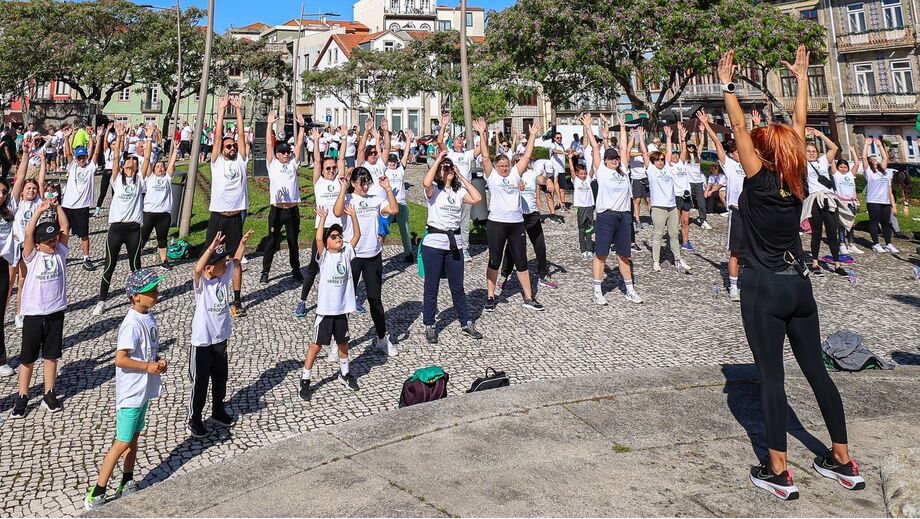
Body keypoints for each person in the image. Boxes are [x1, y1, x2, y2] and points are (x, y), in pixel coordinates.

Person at [719, 45, 865, 499]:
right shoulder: (795, 176)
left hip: (763, 287)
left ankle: (778, 470)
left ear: (762, 153)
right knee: (819, 375)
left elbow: (740, 126)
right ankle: (842, 460)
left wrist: (728, 86)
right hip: (799, 288)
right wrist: (801, 80)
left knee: (772, 378)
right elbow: (798, 128)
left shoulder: (759, 179)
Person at [83, 268, 168, 511]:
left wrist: (159, 361)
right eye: (150, 291)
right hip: (131, 393)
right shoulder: (131, 324)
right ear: (136, 296)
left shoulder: (148, 317)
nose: (156, 293)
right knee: (121, 442)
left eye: (156, 288)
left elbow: (150, 351)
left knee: (134, 438)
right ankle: (97, 491)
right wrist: (147, 366)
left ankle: (127, 480)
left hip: (143, 390)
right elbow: (120, 359)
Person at [8, 197, 70, 418]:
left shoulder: (60, 253)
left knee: (51, 355)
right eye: (48, 241)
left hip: (55, 312)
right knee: (28, 358)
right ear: (37, 244)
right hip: (34, 315)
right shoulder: (32, 256)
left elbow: (65, 227)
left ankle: (49, 393)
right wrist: (40, 211)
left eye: (54, 240)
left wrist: (57, 207)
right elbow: (27, 234)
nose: (53, 243)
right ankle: (23, 395)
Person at [188, 229, 253, 437]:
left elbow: (236, 260)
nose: (225, 265)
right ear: (210, 267)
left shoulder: (223, 277)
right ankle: (195, 418)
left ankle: (217, 410)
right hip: (202, 341)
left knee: (220, 378)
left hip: (220, 338)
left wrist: (242, 243)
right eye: (220, 263)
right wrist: (211, 248)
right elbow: (197, 268)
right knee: (200, 382)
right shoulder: (202, 284)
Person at [476, 118, 545, 312]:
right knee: (494, 260)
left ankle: (529, 297)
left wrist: (532, 136)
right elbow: (485, 157)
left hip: (516, 224)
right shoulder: (492, 176)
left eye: (507, 165)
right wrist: (482, 134)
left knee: (521, 261)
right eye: (502, 166)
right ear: (496, 167)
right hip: (496, 223)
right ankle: (490, 295)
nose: (505, 168)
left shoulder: (515, 174)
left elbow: (526, 155)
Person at [420, 151, 484, 344]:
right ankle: (430, 323)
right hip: (434, 242)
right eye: (445, 169)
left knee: (458, 286)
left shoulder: (458, 192)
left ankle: (466, 321)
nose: (448, 171)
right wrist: (439, 161)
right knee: (432, 286)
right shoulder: (433, 190)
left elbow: (477, 198)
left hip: (454, 242)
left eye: (450, 169)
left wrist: (462, 176)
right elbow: (425, 182)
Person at [334, 167, 399, 356]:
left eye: (367, 182)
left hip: (373, 255)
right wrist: (342, 189)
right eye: (361, 182)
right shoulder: (348, 199)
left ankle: (381, 338)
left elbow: (394, 209)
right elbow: (337, 212)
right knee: (344, 300)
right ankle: (338, 341)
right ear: (353, 183)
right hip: (352, 255)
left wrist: (387, 188)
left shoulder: (375, 200)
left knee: (374, 299)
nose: (365, 186)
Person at [299, 206, 361, 400]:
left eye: (339, 235)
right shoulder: (324, 256)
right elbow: (319, 239)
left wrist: (353, 216)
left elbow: (357, 236)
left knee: (343, 343)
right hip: (326, 311)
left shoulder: (346, 252)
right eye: (333, 236)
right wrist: (323, 221)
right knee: (316, 345)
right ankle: (305, 380)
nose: (338, 238)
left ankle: (344, 373)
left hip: (342, 310)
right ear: (327, 242)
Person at [581, 113, 643, 305]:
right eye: (611, 158)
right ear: (606, 161)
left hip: (624, 216)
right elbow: (594, 149)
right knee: (601, 254)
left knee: (624, 255)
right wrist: (589, 128)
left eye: (616, 158)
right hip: (606, 216)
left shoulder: (623, 169)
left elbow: (625, 148)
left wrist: (623, 127)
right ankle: (597, 291)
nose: (615, 160)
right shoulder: (602, 171)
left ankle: (630, 290)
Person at [294, 126, 347, 318]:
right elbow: (317, 160)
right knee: (314, 267)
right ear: (323, 171)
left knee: (340, 264)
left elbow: (341, 159)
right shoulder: (319, 182)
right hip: (322, 228)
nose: (332, 171)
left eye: (333, 168)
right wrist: (316, 141)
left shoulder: (339, 180)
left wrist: (343, 139)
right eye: (328, 168)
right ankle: (303, 300)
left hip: (339, 227)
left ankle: (344, 299)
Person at [92, 123, 145, 316]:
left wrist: (146, 140)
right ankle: (102, 300)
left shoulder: (140, 181)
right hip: (116, 228)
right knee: (109, 265)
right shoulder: (116, 179)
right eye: (128, 160)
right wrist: (120, 137)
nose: (131, 162)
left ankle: (137, 298)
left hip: (133, 229)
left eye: (134, 161)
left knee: (135, 266)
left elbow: (146, 161)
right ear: (123, 165)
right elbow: (115, 158)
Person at [206, 95, 249, 318]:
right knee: (212, 258)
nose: (232, 147)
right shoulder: (217, 162)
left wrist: (239, 111)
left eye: (233, 146)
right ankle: (212, 295)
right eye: (228, 145)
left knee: (236, 260)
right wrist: (222, 110)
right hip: (218, 216)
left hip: (235, 218)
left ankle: (237, 298)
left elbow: (241, 135)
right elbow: (216, 137)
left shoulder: (241, 161)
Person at [497, 137, 558, 290]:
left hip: (532, 215)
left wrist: (547, 180)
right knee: (512, 248)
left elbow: (540, 179)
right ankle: (505, 274)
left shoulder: (531, 174)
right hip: (517, 218)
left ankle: (543, 273)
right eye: (517, 161)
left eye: (522, 160)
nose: (520, 163)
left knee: (540, 245)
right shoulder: (510, 176)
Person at [699, 109, 745, 301]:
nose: (738, 153)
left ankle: (753, 281)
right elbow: (717, 143)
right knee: (735, 250)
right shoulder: (729, 164)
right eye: (735, 151)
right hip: (737, 210)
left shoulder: (752, 162)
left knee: (755, 250)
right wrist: (707, 124)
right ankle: (733, 286)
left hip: (755, 212)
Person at [260, 111, 306, 283]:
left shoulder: (293, 163)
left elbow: (299, 144)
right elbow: (267, 144)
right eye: (283, 152)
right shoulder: (272, 164)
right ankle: (265, 272)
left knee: (293, 242)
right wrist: (269, 124)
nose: (286, 155)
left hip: (292, 209)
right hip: (277, 210)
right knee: (272, 242)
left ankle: (295, 270)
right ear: (278, 154)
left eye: (288, 152)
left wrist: (302, 127)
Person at [435, 114, 482, 263]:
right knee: (451, 219)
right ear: (453, 144)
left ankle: (465, 248)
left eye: (461, 139)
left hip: (465, 191)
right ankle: (449, 244)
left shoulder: (468, 154)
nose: (459, 140)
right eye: (456, 139)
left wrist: (482, 131)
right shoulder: (451, 154)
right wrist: (443, 125)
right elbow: (439, 141)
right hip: (453, 190)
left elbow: (481, 148)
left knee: (464, 221)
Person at [643, 126, 691, 274]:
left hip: (671, 206)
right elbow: (645, 153)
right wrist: (641, 138)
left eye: (662, 159)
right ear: (653, 161)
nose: (661, 162)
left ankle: (678, 260)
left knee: (674, 235)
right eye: (658, 160)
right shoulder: (651, 170)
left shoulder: (668, 168)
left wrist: (669, 137)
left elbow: (669, 152)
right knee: (657, 234)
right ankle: (656, 261)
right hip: (658, 207)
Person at [803, 127, 844, 275]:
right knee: (817, 232)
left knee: (833, 232)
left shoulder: (822, 161)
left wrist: (820, 135)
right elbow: (794, 149)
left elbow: (834, 147)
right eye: (808, 151)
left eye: (813, 151)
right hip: (815, 198)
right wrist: (803, 136)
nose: (811, 153)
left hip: (829, 198)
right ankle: (815, 263)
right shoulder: (803, 163)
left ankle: (837, 264)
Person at [61, 125, 103, 271]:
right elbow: (67, 154)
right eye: (78, 157)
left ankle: (86, 258)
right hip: (67, 206)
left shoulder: (91, 167)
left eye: (82, 157)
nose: (80, 160)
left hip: (82, 207)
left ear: (86, 157)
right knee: (64, 232)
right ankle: (61, 256)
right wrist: (66, 138)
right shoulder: (72, 166)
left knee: (84, 235)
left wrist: (98, 137)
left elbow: (96, 153)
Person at [140, 127, 178, 269]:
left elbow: (172, 164)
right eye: (158, 167)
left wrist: (174, 151)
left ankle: (164, 261)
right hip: (149, 212)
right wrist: (148, 139)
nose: (160, 168)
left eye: (162, 166)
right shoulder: (150, 178)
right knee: (143, 237)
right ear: (154, 169)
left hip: (163, 214)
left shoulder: (167, 178)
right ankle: (136, 257)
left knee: (162, 239)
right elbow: (147, 159)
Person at [862, 137, 899, 253]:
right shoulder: (869, 172)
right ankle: (876, 244)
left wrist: (879, 145)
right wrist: (867, 144)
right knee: (874, 221)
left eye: (875, 159)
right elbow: (863, 157)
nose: (874, 160)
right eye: (871, 159)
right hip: (873, 201)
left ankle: (888, 243)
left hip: (885, 201)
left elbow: (885, 157)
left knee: (886, 223)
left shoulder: (885, 172)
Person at [833, 147, 863, 255]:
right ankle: (842, 243)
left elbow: (857, 163)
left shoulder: (851, 175)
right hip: (841, 202)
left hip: (851, 202)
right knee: (842, 224)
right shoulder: (836, 175)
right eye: (840, 167)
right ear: (837, 167)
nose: (843, 169)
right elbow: (831, 160)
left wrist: (853, 151)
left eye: (845, 167)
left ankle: (851, 243)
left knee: (851, 224)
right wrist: (833, 150)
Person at [567, 149, 595, 261]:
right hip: (581, 207)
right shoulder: (576, 181)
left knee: (589, 229)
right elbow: (572, 170)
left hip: (589, 206)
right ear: (578, 174)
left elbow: (593, 169)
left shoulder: (588, 179)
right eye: (581, 174)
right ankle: (583, 250)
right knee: (582, 229)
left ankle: (589, 249)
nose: (583, 176)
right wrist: (570, 159)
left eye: (584, 173)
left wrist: (593, 157)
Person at [673, 123, 695, 251]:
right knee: (676, 221)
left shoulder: (681, 163)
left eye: (677, 155)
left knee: (686, 221)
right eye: (673, 155)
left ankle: (685, 241)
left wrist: (683, 138)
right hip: (676, 196)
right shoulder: (669, 167)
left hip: (686, 195)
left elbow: (684, 150)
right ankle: (674, 240)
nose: (676, 156)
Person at [685, 138, 712, 230]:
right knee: (686, 202)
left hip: (698, 182)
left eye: (692, 146)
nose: (691, 147)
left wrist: (701, 132)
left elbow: (701, 144)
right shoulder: (684, 156)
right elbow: (681, 145)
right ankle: (683, 219)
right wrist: (681, 133)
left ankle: (703, 220)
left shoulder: (698, 156)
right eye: (689, 146)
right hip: (688, 182)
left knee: (701, 203)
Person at [94, 123, 117, 218]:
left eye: (116, 144)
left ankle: (115, 210)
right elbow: (104, 141)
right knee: (102, 192)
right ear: (110, 145)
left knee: (114, 193)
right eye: (113, 144)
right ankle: (97, 210)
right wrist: (107, 130)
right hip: (106, 172)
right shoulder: (107, 151)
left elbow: (121, 143)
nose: (114, 146)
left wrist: (120, 135)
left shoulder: (119, 152)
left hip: (114, 172)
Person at [549, 131, 568, 211]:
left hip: (562, 170)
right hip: (554, 170)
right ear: (554, 138)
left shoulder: (562, 146)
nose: (559, 139)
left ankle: (562, 205)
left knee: (562, 189)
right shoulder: (553, 145)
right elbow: (555, 151)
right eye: (558, 138)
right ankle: (552, 206)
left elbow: (567, 151)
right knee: (552, 189)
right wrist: (563, 153)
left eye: (560, 138)